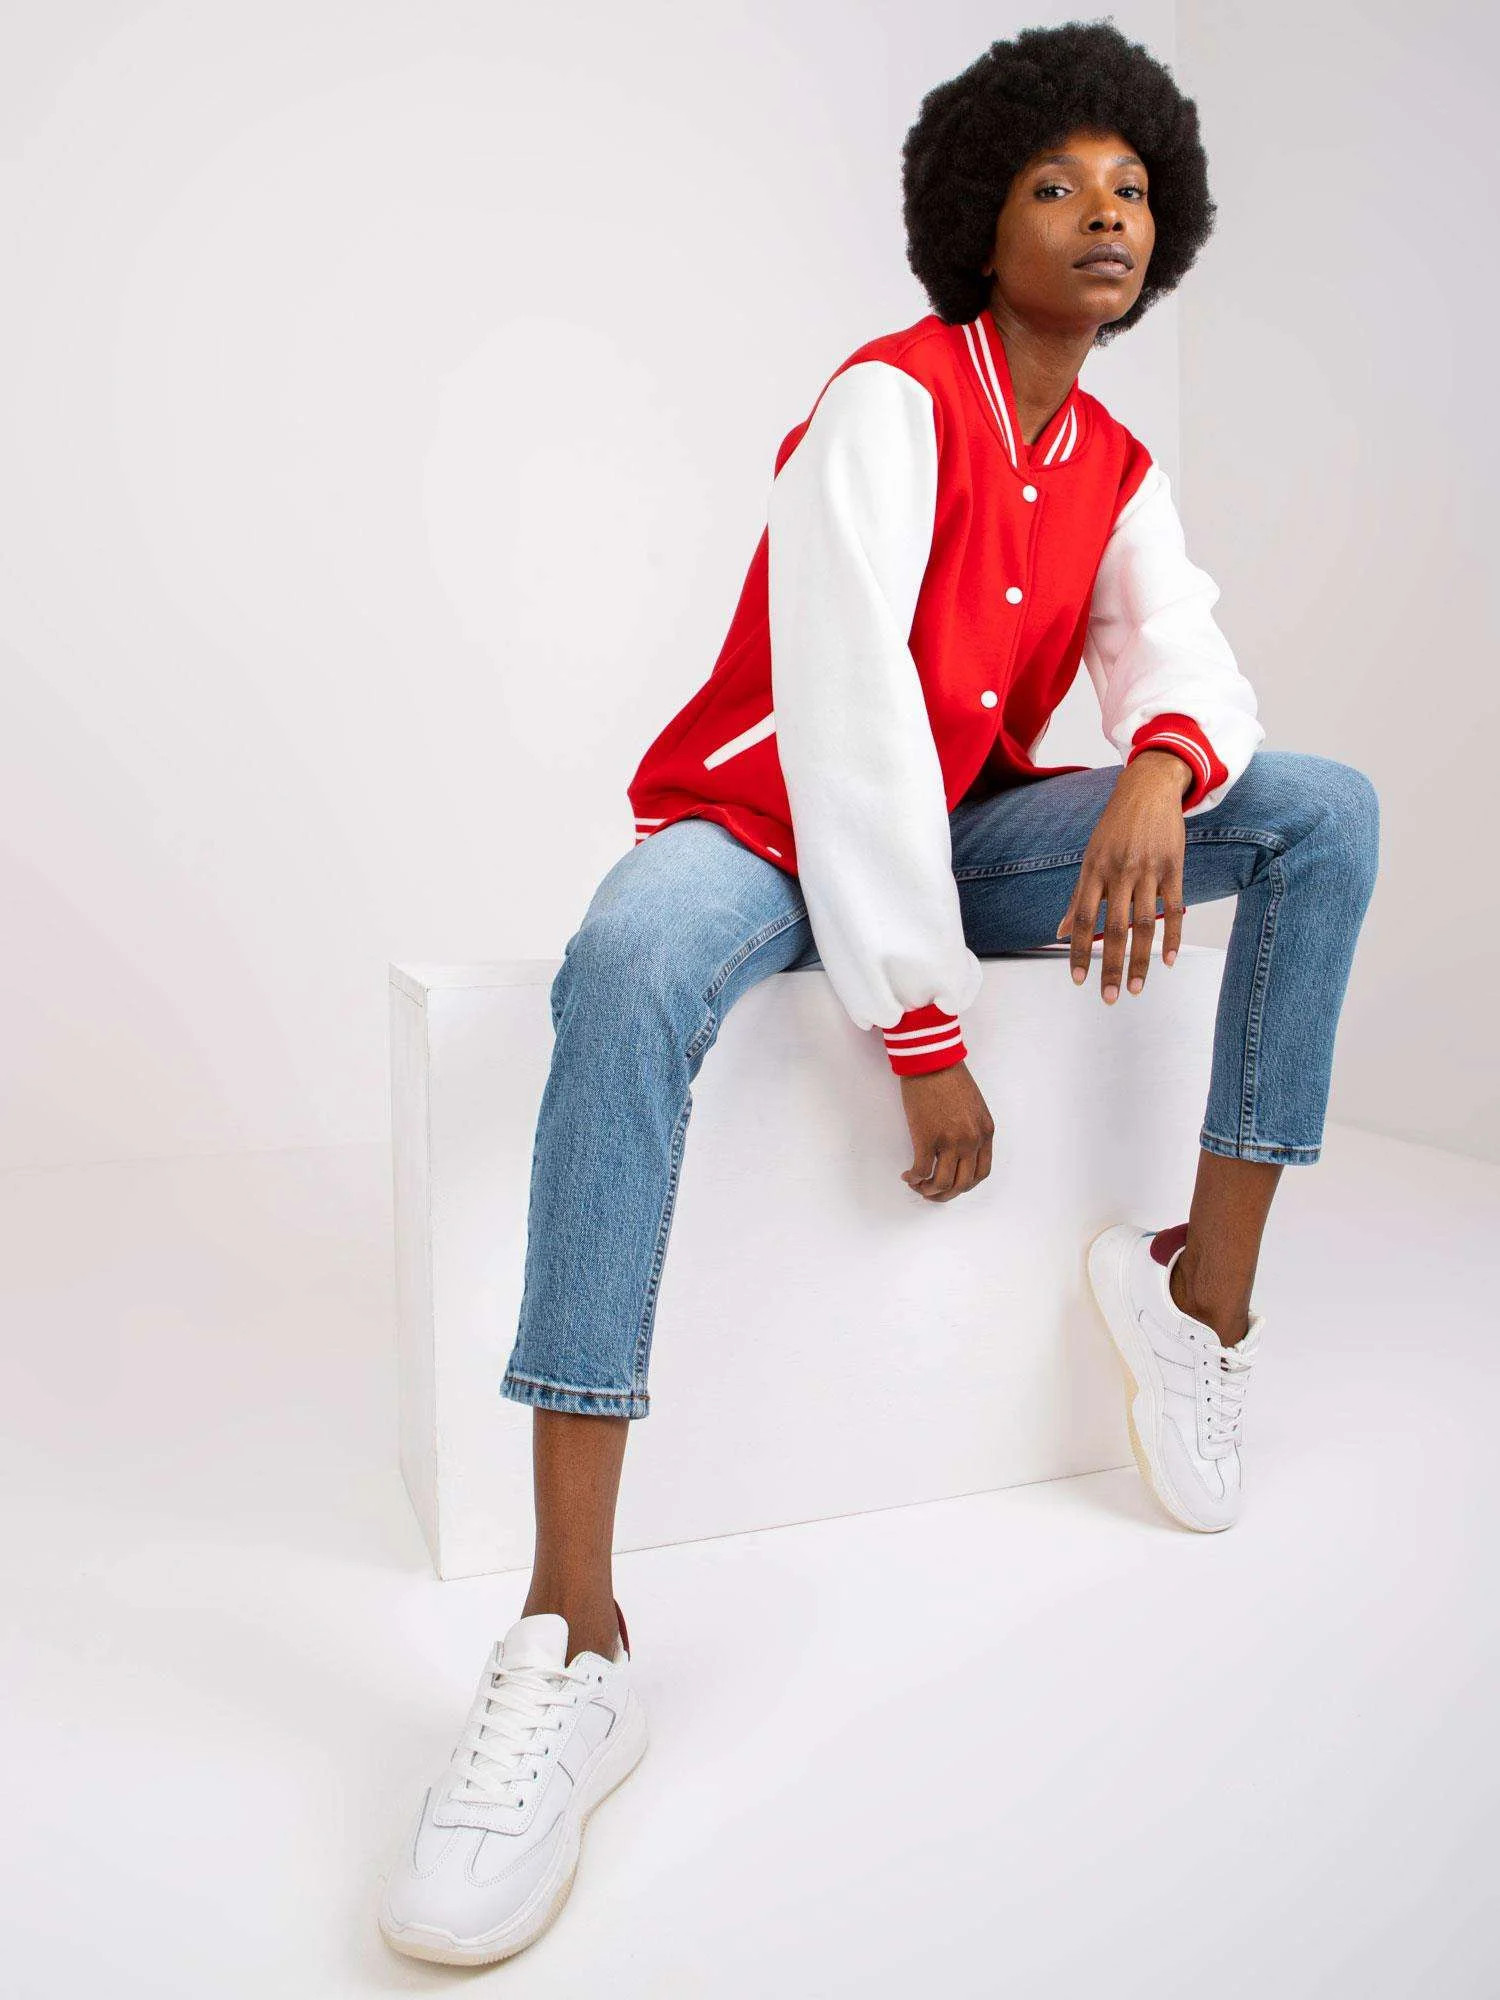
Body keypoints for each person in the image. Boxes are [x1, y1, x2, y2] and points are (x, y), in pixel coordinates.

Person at [377, 20, 1379, 1965]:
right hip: (761, 819)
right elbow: (841, 727)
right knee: (627, 957)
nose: (1102, 214)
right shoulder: (888, 401)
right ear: (977, 220)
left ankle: (1201, 1302)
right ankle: (571, 1637)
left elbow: (1183, 653)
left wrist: (1161, 764)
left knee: (1321, 814)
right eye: (1055, 185)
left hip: (968, 821)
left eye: (1132, 190)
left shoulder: (1117, 467)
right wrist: (921, 1031)